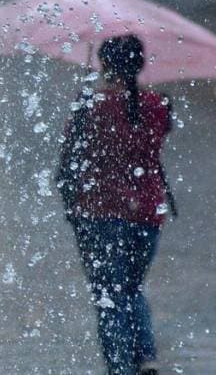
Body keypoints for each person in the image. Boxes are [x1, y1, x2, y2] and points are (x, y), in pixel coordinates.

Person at [57, 35, 174, 375]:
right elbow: (155, 137)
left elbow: (71, 153)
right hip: (148, 212)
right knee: (131, 287)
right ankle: (145, 356)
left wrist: (84, 101)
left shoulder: (91, 105)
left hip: (99, 210)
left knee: (108, 295)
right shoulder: (157, 105)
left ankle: (119, 368)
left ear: (105, 65)